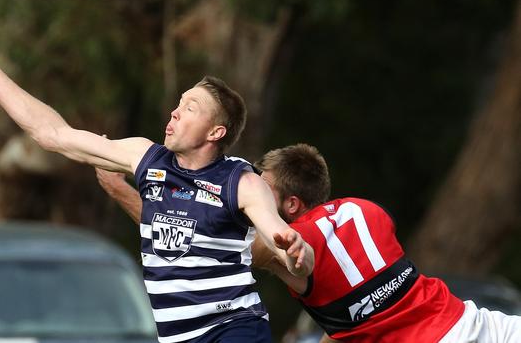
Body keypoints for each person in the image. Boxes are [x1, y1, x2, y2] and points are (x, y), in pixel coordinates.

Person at [0, 24, 313, 343]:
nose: (175, 112)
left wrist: (297, 254)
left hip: (234, 329)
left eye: (191, 108)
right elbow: (52, 133)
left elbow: (286, 247)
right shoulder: (146, 157)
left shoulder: (241, 182)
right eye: (179, 103)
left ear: (215, 132)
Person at [96, 144, 521, 342]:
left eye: (260, 193)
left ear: (292, 203)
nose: (245, 203)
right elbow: (365, 315)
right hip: (486, 327)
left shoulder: (291, 248)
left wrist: (117, 187)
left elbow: (192, 234)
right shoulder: (367, 210)